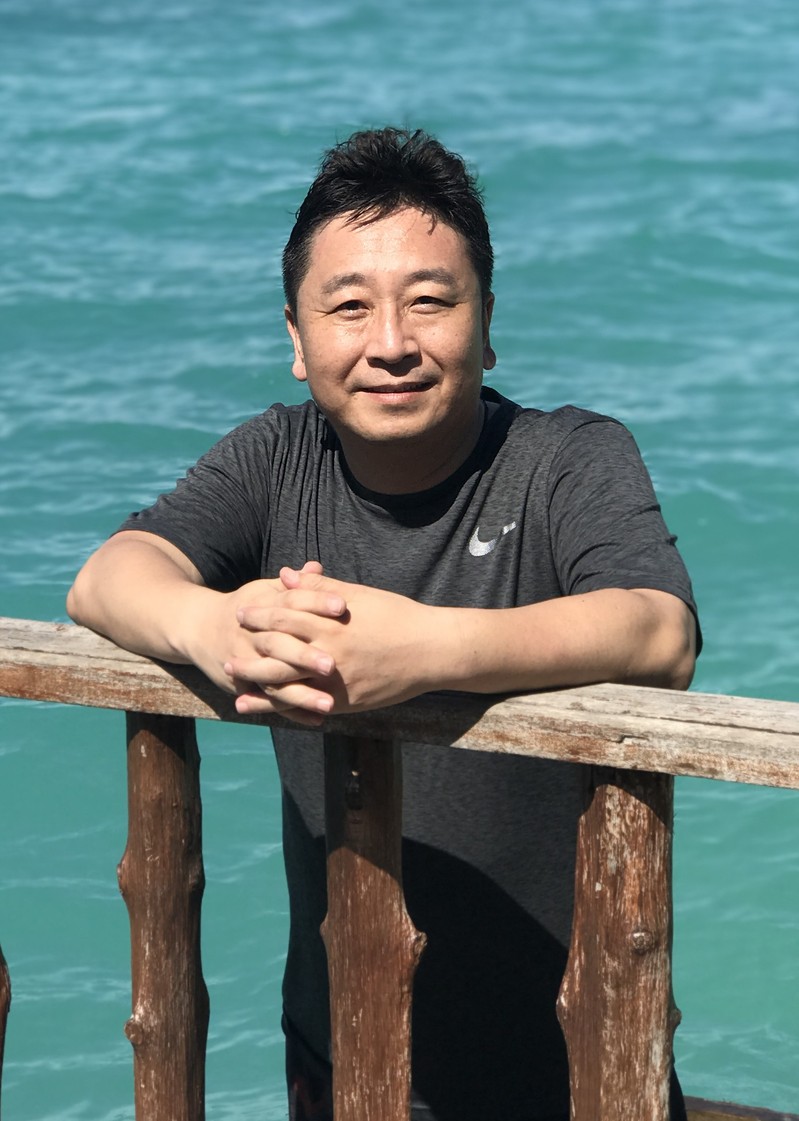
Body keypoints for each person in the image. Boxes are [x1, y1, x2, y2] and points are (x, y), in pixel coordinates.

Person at [68, 126, 699, 1121]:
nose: (391, 342)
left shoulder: (565, 458)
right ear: (296, 337)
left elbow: (659, 632)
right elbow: (108, 575)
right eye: (349, 306)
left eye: (430, 301)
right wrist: (214, 624)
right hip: (340, 1044)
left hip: (568, 1057)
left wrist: (424, 648)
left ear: (486, 324)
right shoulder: (277, 458)